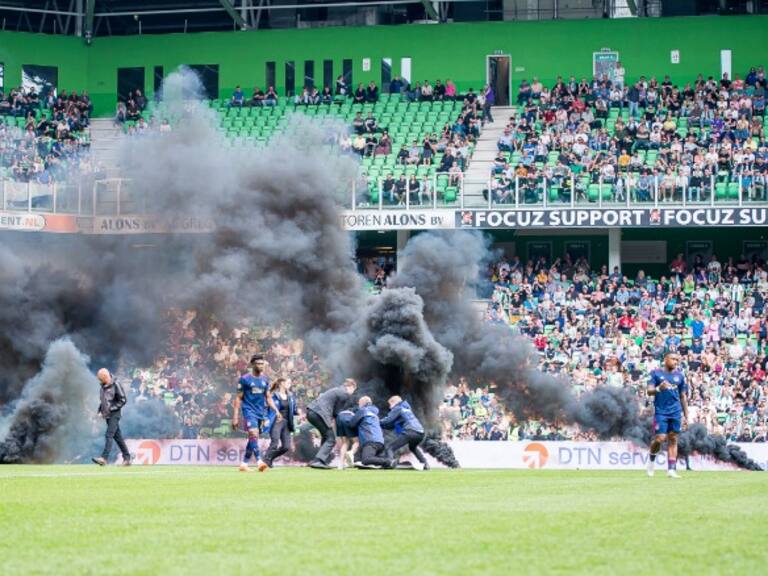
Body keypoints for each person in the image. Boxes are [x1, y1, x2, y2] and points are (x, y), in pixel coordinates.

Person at [231, 354, 277, 472]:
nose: (261, 366)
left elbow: (268, 397)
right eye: (258, 364)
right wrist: (235, 417)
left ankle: (244, 464)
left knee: (253, 438)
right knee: (253, 434)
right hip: (248, 410)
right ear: (252, 365)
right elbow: (238, 398)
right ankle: (259, 462)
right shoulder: (245, 379)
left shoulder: (265, 379)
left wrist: (276, 410)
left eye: (262, 364)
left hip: (261, 413)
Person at [646, 353, 689, 478]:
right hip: (661, 411)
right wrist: (659, 388)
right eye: (673, 359)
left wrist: (686, 415)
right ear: (665, 359)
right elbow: (649, 391)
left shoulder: (680, 376)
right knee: (660, 438)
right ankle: (651, 461)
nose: (676, 361)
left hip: (675, 411)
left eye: (677, 360)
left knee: (673, 438)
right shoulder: (655, 373)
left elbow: (683, 396)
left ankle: (671, 469)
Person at [306, 378, 357, 469]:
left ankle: (319, 460)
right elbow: (337, 413)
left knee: (326, 436)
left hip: (311, 412)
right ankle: (319, 460)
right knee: (331, 438)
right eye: (354, 390)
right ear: (350, 386)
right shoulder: (344, 394)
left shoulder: (337, 390)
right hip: (319, 413)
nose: (353, 392)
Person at [92, 368, 131, 466]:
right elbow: (103, 402)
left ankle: (104, 458)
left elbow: (123, 400)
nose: (100, 381)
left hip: (114, 414)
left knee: (109, 435)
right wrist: (99, 411)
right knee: (118, 437)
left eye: (101, 379)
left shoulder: (116, 384)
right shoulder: (103, 387)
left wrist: (111, 408)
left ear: (105, 376)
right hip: (108, 415)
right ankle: (127, 458)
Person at [380, 395, 429, 470]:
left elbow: (388, 420)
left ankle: (390, 463)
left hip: (410, 431)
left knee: (389, 447)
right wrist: (383, 426)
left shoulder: (398, 408)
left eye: (390, 404)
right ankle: (425, 463)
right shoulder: (407, 409)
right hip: (420, 433)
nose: (390, 407)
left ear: (394, 402)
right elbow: (394, 424)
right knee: (413, 448)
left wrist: (376, 421)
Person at [347, 396, 393, 468]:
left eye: (359, 403)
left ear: (362, 403)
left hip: (370, 441)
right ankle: (382, 463)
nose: (358, 405)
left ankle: (388, 462)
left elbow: (351, 424)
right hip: (380, 442)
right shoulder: (375, 414)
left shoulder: (363, 411)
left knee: (366, 460)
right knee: (365, 462)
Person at [263, 377, 298, 468]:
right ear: (282, 383)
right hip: (276, 421)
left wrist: (299, 412)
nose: (290, 384)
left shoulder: (291, 396)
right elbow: (266, 408)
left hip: (287, 423)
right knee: (274, 442)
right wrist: (266, 418)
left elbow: (294, 410)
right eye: (288, 382)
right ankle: (265, 462)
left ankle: (268, 458)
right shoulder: (273, 395)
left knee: (286, 447)